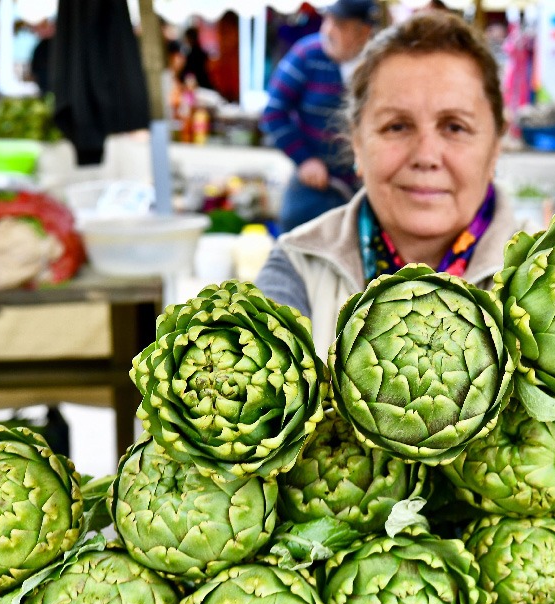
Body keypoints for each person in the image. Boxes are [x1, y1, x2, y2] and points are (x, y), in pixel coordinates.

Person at [254, 11, 525, 353]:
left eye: (455, 127)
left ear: (496, 146)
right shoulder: (297, 268)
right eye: (396, 126)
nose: (426, 156)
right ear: (356, 142)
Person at [259, 0, 379, 234]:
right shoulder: (307, 54)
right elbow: (273, 112)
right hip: (313, 184)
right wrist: (304, 159)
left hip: (363, 189)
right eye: (328, 20)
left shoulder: (377, 64)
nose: (328, 31)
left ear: (363, 31)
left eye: (340, 25)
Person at [179, 26, 214, 90]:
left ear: (190, 38)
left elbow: (186, 72)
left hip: (201, 87)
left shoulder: (192, 55)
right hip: (207, 85)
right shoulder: (203, 53)